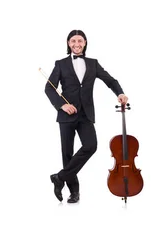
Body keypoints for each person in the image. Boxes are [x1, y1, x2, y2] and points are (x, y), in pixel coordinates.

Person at [45, 30, 128, 203]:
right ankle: (74, 193)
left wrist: (119, 93)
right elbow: (49, 88)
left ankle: (59, 178)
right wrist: (62, 105)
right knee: (67, 154)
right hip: (66, 115)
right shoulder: (60, 64)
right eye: (73, 41)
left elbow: (110, 80)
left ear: (85, 43)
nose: (77, 44)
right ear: (68, 43)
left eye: (80, 41)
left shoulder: (93, 63)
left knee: (91, 146)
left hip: (86, 114)